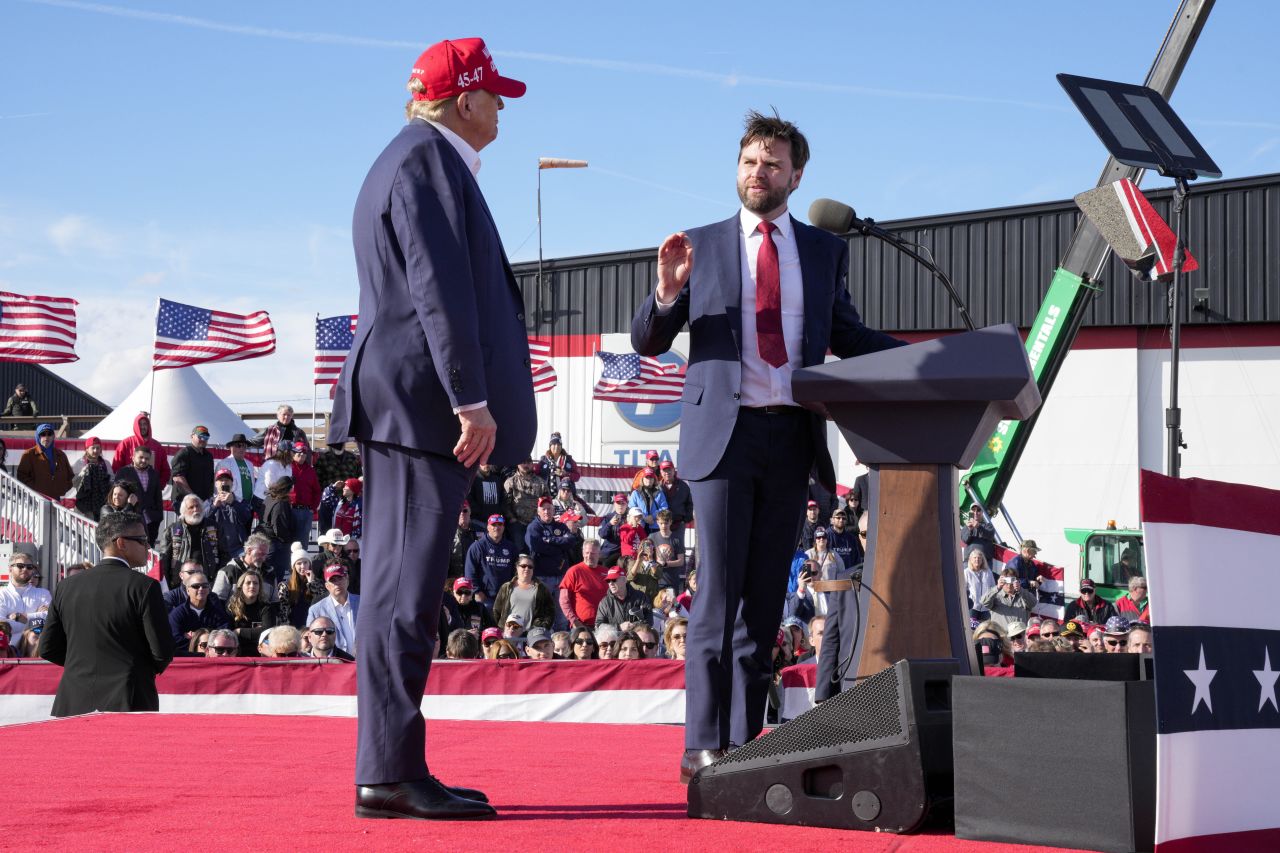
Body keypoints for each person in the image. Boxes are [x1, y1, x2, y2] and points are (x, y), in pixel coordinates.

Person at [329, 36, 534, 821]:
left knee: (398, 590)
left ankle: (397, 763)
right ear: (461, 100)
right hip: (423, 407)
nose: (502, 108)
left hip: (410, 404)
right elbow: (437, 289)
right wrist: (469, 399)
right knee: (402, 593)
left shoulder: (413, 157)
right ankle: (386, 771)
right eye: (494, 94)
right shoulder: (426, 161)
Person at [38, 512, 172, 714]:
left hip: (74, 699)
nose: (148, 546)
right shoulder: (144, 587)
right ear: (121, 543)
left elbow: (48, 647)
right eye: (142, 540)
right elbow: (162, 651)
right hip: (129, 698)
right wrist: (137, 671)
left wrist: (81, 666)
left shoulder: (66, 586)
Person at [155, 494, 224, 589]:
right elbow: (164, 560)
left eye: (198, 506)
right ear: (183, 511)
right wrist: (167, 584)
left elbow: (225, 554)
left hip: (207, 581)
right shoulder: (172, 529)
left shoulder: (214, 527)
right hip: (180, 583)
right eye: (191, 507)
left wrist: (217, 577)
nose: (195, 509)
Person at [112, 446, 165, 543]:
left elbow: (158, 497)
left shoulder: (154, 474)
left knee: (149, 551)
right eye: (141, 457)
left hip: (151, 520)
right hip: (131, 520)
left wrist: (159, 516)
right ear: (133, 457)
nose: (144, 460)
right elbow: (116, 495)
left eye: (147, 458)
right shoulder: (123, 472)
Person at [168, 572, 229, 654]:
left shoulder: (218, 613)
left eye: (205, 586)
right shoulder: (177, 614)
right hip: (186, 660)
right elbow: (175, 641)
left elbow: (224, 638)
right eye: (196, 586)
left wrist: (195, 637)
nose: (201, 589)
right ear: (188, 590)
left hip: (212, 659)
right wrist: (207, 639)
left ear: (209, 589)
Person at [491, 554, 555, 632]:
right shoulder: (506, 587)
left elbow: (551, 611)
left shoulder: (542, 588)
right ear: (517, 567)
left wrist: (543, 627)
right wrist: (500, 628)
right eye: (523, 566)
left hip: (532, 635)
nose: (527, 568)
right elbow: (496, 610)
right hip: (509, 633)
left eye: (530, 567)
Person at [306, 564, 359, 655]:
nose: (337, 583)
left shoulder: (363, 603)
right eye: (333, 580)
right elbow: (311, 640)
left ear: (347, 580)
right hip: (334, 663)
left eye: (340, 578)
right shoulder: (316, 610)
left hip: (362, 661)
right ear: (327, 586)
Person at [557, 540, 610, 630]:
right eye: (587, 553)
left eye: (593, 553)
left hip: (604, 626)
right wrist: (573, 620)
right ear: (582, 553)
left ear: (599, 554)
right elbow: (564, 600)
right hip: (581, 626)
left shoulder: (606, 572)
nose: (589, 556)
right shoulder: (574, 571)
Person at [465, 514, 516, 605]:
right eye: (493, 525)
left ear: (503, 527)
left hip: (506, 597)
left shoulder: (511, 547)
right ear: (488, 527)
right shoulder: (477, 547)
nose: (496, 527)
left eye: (499, 525)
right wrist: (476, 591)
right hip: (485, 597)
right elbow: (470, 571)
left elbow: (516, 571)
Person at [110, 412, 171, 487]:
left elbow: (165, 470)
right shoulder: (126, 443)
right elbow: (116, 467)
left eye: (145, 424)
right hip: (129, 490)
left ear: (148, 426)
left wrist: (159, 485)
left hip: (150, 490)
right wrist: (123, 487)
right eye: (140, 424)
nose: (142, 427)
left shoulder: (157, 446)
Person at [1, 545, 51, 639]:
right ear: (10, 569)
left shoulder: (43, 593)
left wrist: (21, 617)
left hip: (35, 650)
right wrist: (36, 619)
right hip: (10, 650)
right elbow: (2, 626)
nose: (25, 569)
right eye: (20, 566)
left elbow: (50, 618)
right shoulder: (1, 595)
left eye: (29, 567)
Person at [226, 570, 277, 656]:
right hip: (237, 652)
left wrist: (239, 631)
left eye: (255, 583)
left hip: (260, 653)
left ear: (260, 587)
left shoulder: (266, 607)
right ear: (241, 586)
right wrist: (256, 631)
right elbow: (229, 633)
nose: (252, 586)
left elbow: (267, 632)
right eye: (248, 583)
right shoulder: (231, 607)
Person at [16, 423, 73, 500]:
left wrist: (62, 489)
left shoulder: (61, 455)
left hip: (56, 499)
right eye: (43, 434)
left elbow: (70, 476)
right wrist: (36, 489)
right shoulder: (29, 454)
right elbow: (21, 476)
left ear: (53, 437)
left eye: (49, 434)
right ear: (38, 437)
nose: (46, 437)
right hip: (36, 499)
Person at [212, 533, 273, 602]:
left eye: (265, 555)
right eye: (260, 554)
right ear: (249, 551)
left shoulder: (269, 573)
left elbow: (275, 603)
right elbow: (216, 603)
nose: (263, 558)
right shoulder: (228, 572)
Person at [207, 468, 253, 558]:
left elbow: (246, 518)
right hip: (216, 550)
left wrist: (233, 503)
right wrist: (214, 506)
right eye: (221, 480)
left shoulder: (240, 501)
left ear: (232, 483)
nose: (224, 482)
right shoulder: (209, 502)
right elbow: (202, 519)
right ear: (216, 484)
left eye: (227, 480)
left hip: (238, 550)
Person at [260, 476, 297, 585]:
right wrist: (288, 540)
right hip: (276, 545)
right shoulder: (281, 503)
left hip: (266, 540)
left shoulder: (269, 498)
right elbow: (279, 528)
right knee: (275, 577)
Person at [169, 425, 215, 505]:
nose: (203, 439)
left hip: (204, 502)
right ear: (192, 436)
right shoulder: (184, 453)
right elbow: (178, 478)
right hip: (185, 502)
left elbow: (211, 479)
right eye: (200, 436)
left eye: (206, 437)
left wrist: (210, 497)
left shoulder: (209, 456)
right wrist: (193, 497)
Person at [289, 443, 322, 548]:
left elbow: (317, 491)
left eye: (304, 455)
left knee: (303, 544)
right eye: (299, 454)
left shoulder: (310, 471)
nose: (302, 457)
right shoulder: (287, 468)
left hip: (306, 511)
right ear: (293, 454)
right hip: (290, 510)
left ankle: (302, 563)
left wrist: (312, 508)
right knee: (289, 543)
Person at [73, 436, 112, 519]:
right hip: (84, 505)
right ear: (87, 449)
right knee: (86, 530)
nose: (95, 451)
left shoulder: (106, 464)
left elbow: (112, 481)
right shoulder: (80, 463)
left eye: (98, 448)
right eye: (93, 448)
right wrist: (84, 471)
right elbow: (74, 482)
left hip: (102, 503)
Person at [222, 433, 264, 508]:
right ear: (231, 447)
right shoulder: (224, 463)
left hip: (249, 504)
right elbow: (220, 486)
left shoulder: (250, 464)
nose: (241, 448)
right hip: (233, 504)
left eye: (244, 446)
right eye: (238, 445)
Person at [658, 461, 694, 545]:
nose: (667, 473)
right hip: (662, 524)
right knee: (663, 548)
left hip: (678, 524)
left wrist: (686, 519)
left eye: (669, 470)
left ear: (674, 470)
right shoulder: (658, 486)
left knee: (679, 547)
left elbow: (689, 503)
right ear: (661, 472)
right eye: (665, 470)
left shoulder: (683, 486)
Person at [628, 469, 668, 533]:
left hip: (655, 527)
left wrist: (653, 516)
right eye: (646, 477)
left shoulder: (659, 493)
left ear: (654, 480)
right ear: (642, 479)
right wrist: (644, 517)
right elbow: (632, 509)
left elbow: (664, 508)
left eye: (651, 477)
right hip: (640, 526)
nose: (648, 479)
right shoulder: (636, 493)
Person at [964, 550, 998, 622]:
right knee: (972, 630)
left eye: (979, 558)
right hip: (972, 608)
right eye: (975, 558)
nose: (977, 559)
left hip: (986, 608)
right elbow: (963, 589)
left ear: (982, 560)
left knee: (986, 629)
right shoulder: (967, 572)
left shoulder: (988, 572)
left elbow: (993, 587)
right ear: (970, 560)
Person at [596, 494, 629, 567]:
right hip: (609, 551)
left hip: (624, 552)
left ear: (626, 504)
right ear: (614, 504)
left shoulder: (630, 517)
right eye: (618, 503)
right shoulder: (608, 517)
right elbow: (602, 534)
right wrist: (610, 524)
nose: (620, 505)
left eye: (623, 503)